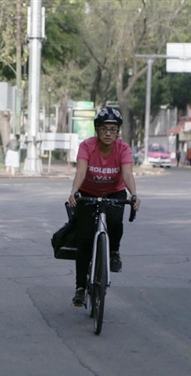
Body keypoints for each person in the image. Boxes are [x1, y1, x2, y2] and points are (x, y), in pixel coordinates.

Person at [67, 106, 140, 307]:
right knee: (84, 240)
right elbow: (80, 172)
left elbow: (127, 174)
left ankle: (114, 251)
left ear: (118, 132)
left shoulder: (123, 148)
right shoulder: (86, 146)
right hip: (88, 193)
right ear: (97, 129)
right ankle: (80, 288)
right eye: (104, 129)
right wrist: (74, 191)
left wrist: (134, 195)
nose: (108, 133)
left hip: (114, 192)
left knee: (116, 220)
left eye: (113, 129)